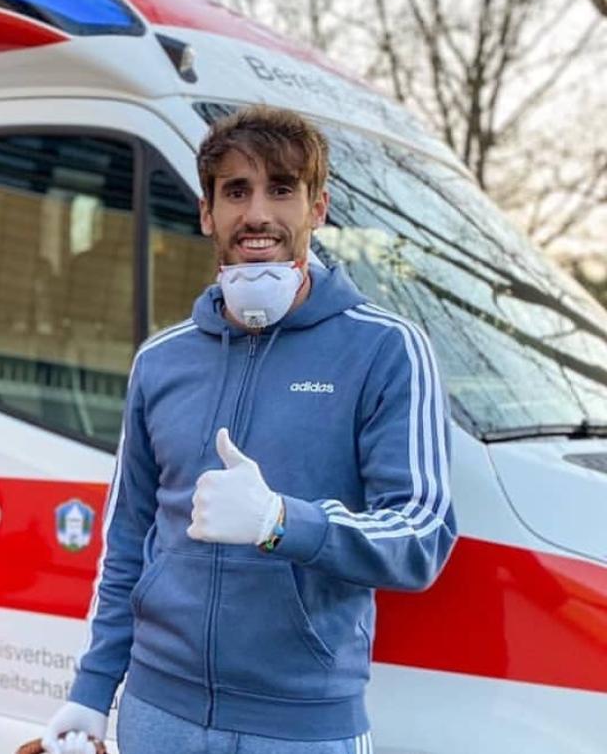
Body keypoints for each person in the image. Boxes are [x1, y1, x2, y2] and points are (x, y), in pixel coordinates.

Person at [42, 106, 457, 753]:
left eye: (281, 189)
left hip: (301, 727)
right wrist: (93, 691)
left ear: (317, 208)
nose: (257, 213)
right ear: (207, 213)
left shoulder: (387, 350)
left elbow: (422, 533)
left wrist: (281, 522)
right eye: (236, 191)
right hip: (157, 715)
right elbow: (128, 541)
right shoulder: (161, 360)